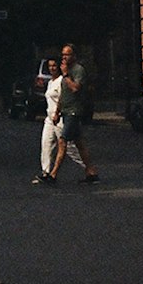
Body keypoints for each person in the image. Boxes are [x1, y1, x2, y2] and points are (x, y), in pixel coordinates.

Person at [41, 43, 98, 183]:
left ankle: (53, 174)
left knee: (62, 141)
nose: (64, 57)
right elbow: (63, 95)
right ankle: (91, 171)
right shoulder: (65, 71)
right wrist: (57, 111)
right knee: (79, 143)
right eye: (63, 54)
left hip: (74, 111)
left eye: (67, 54)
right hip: (66, 111)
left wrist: (66, 74)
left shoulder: (78, 70)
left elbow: (75, 88)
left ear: (74, 56)